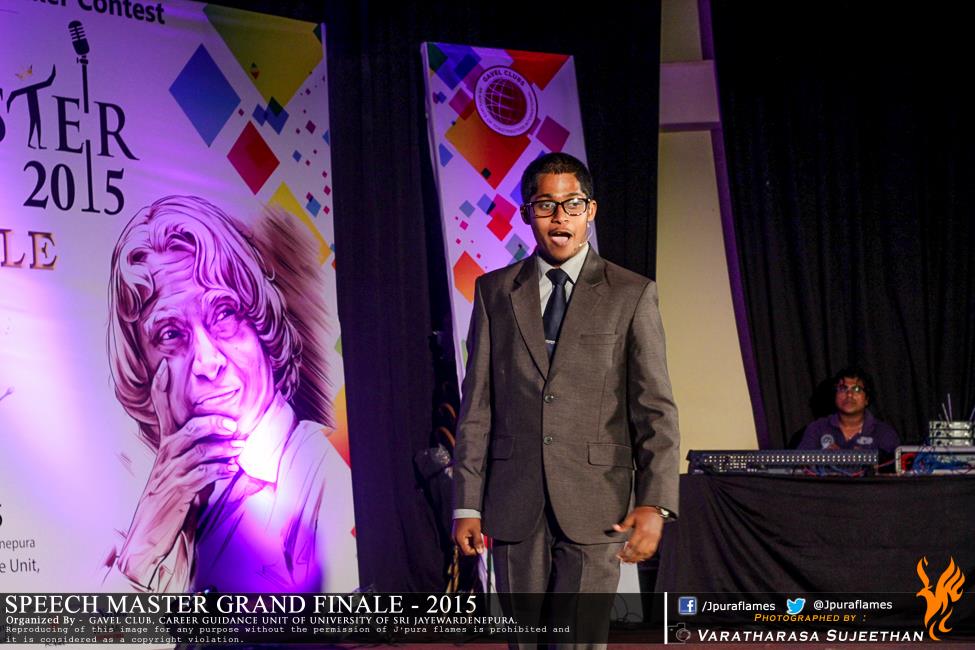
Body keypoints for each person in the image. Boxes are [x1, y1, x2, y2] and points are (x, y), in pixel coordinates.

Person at [451, 153, 680, 641]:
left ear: (590, 210)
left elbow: (655, 410)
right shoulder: (494, 292)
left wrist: (655, 504)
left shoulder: (631, 293)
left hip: (598, 504)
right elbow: (477, 406)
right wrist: (467, 504)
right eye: (546, 205)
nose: (560, 217)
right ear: (527, 212)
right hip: (514, 503)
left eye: (573, 204)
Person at [106, 195, 357, 593]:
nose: (207, 362)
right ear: (142, 367)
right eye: (171, 334)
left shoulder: (322, 474)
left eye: (224, 314)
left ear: (260, 323)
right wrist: (145, 541)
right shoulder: (141, 510)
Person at [797, 366, 900, 453]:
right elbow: (800, 466)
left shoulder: (884, 433)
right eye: (843, 388)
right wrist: (824, 458)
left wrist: (865, 460)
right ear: (835, 395)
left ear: (867, 399)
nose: (849, 394)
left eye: (857, 389)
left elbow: (895, 467)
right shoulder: (817, 428)